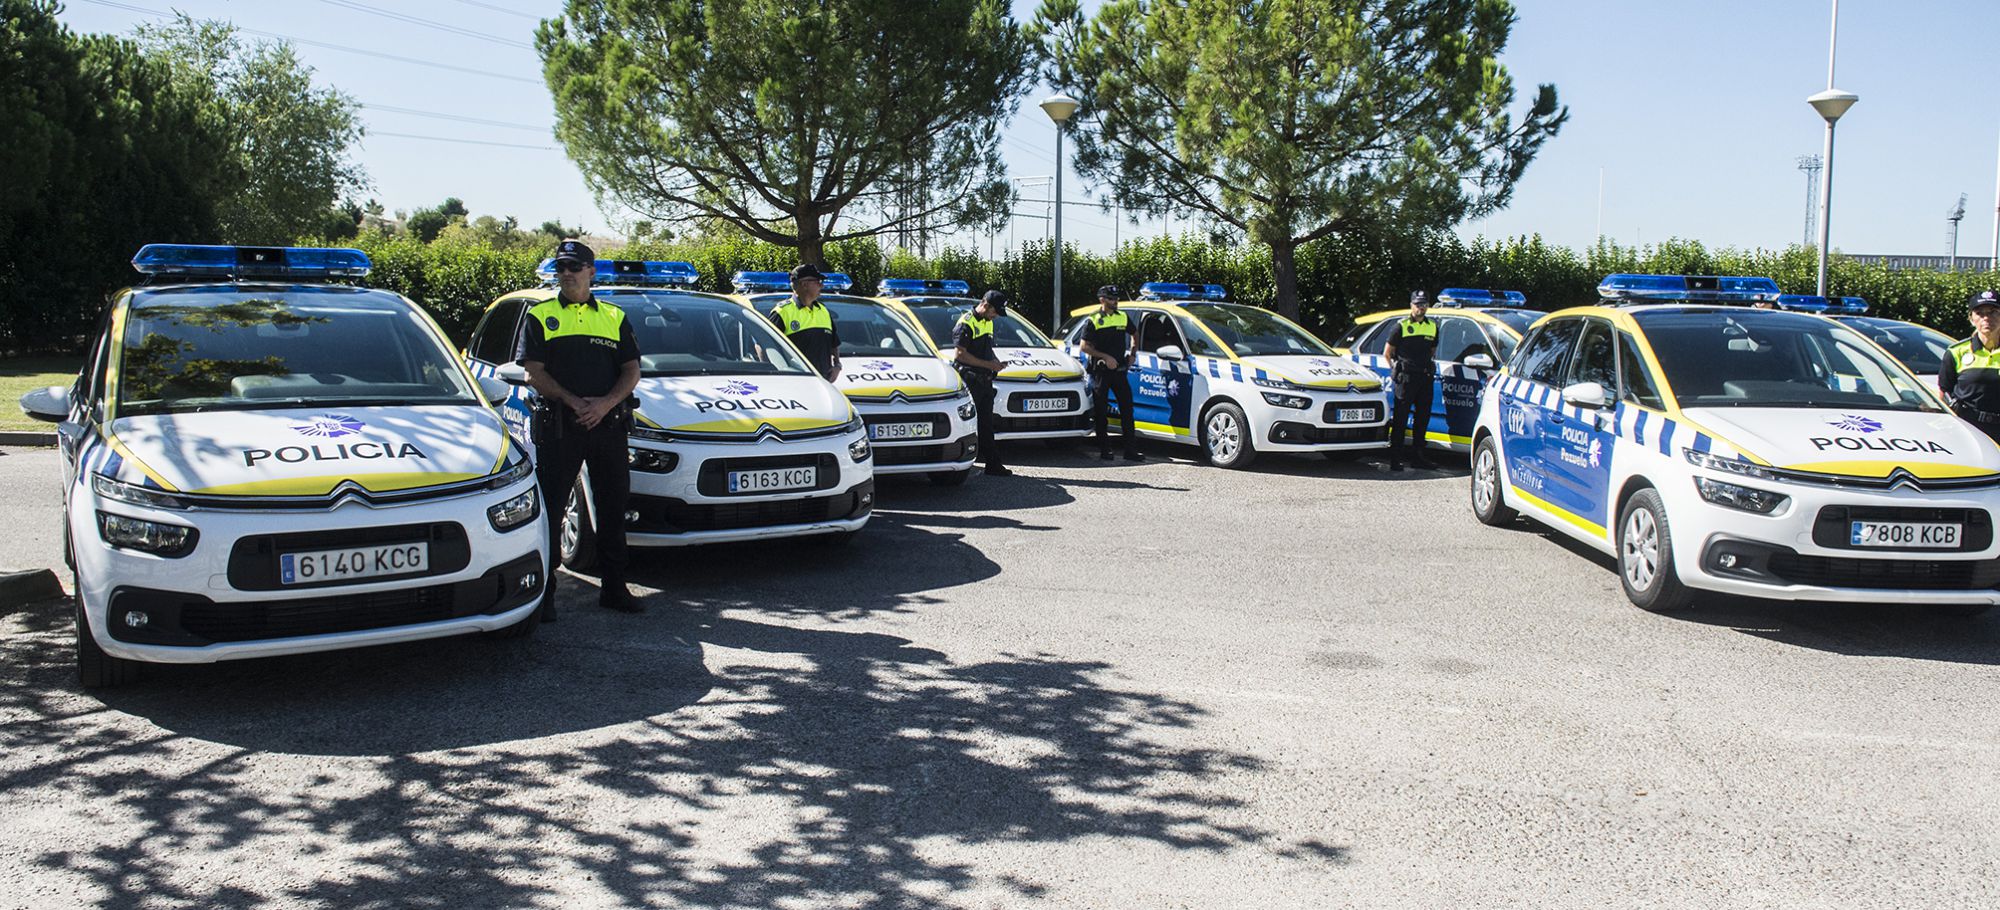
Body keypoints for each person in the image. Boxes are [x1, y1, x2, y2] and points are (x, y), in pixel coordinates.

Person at [519, 239, 644, 615]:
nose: (567, 274)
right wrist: (577, 403)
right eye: (561, 268)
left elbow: (631, 370)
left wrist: (604, 405)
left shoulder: (613, 316)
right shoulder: (539, 316)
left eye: (575, 267)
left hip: (607, 425)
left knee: (612, 505)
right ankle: (546, 594)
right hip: (563, 425)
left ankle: (614, 588)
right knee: (553, 508)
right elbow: (533, 372)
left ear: (591, 271)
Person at [954, 290, 1015, 477]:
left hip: (985, 380)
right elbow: (960, 354)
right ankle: (961, 464)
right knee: (967, 424)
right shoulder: (966, 322)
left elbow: (986, 350)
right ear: (985, 305)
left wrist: (996, 363)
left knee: (986, 424)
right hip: (970, 380)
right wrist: (989, 364)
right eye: (995, 312)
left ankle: (993, 464)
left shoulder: (987, 322)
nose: (996, 317)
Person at [1080, 285, 1142, 461]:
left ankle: (1131, 451)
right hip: (1101, 371)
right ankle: (1105, 449)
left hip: (1120, 370)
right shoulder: (1093, 320)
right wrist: (1105, 357)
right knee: (1101, 412)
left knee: (1127, 409)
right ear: (1102, 300)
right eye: (1111, 299)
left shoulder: (1122, 317)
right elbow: (1084, 346)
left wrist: (1133, 353)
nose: (1115, 301)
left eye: (1116, 298)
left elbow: (1135, 333)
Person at [1383, 289, 1439, 471]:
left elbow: (1432, 351)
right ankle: (1395, 458)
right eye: (1417, 304)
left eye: (1423, 304)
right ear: (1411, 306)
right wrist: (1396, 369)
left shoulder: (1433, 326)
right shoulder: (1401, 326)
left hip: (1424, 377)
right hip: (1406, 378)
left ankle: (1418, 457)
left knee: (1422, 418)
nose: (1420, 308)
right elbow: (1387, 352)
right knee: (1400, 419)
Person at [1941, 289, 2000, 444]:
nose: (1986, 318)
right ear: (1971, 319)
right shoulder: (1956, 352)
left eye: (1993, 312)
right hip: (1969, 428)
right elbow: (1943, 393)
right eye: (1980, 313)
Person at [768, 264, 841, 379]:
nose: (821, 285)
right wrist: (774, 374)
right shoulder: (782, 312)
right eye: (818, 281)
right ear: (804, 284)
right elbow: (764, 345)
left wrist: (837, 365)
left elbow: (834, 343)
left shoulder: (823, 310)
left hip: (824, 381)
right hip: (796, 382)